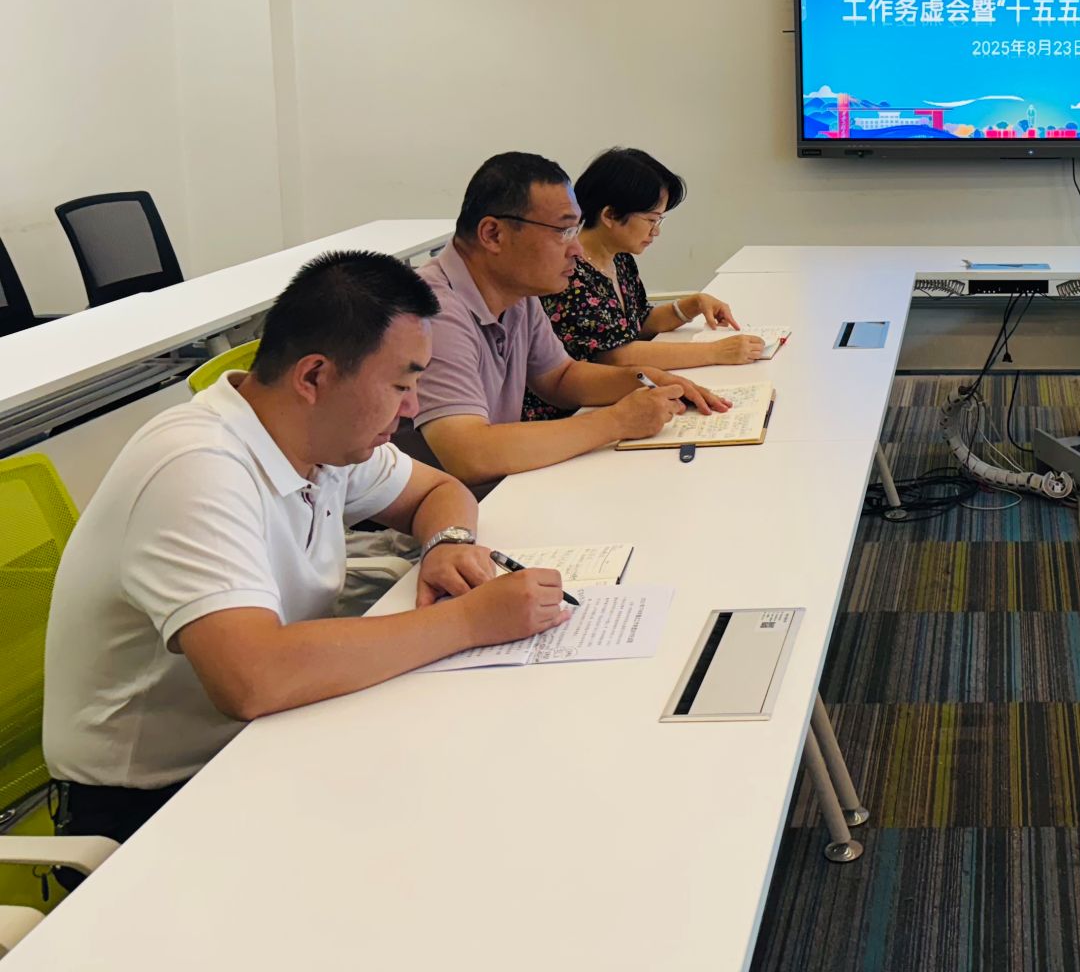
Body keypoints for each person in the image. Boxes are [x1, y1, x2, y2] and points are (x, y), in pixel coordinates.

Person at [43, 251, 573, 847]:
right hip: (155, 802)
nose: (412, 407)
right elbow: (253, 679)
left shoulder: (321, 437)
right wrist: (471, 621)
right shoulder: (195, 468)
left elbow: (439, 491)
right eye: (401, 384)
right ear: (314, 377)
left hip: (274, 736)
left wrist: (448, 544)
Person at [402, 151, 726, 488]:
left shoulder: (517, 293)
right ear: (493, 234)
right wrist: (617, 421)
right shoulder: (433, 311)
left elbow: (559, 377)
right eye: (563, 232)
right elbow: (470, 454)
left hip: (497, 488)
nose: (576, 250)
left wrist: (644, 379)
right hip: (436, 510)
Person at [525, 146, 764, 422]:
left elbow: (638, 322)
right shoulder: (570, 275)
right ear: (610, 215)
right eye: (651, 220)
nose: (656, 231)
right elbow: (616, 356)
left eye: (659, 220)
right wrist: (715, 352)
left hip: (613, 397)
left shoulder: (619, 258)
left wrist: (690, 306)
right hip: (571, 413)